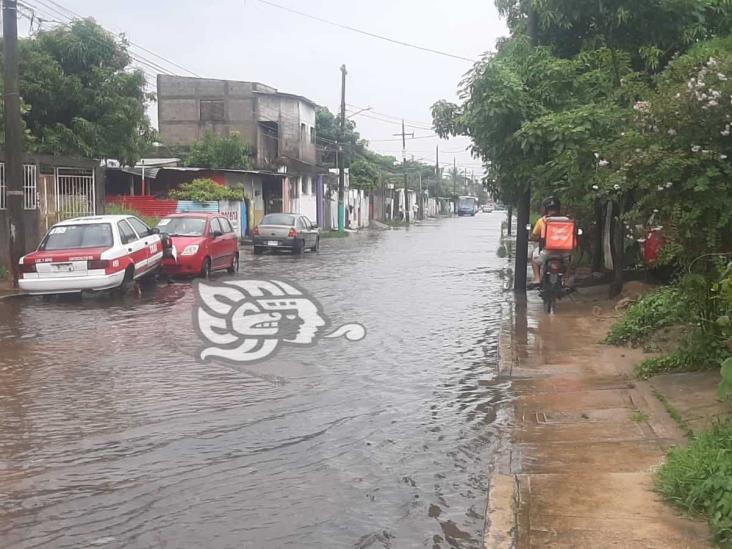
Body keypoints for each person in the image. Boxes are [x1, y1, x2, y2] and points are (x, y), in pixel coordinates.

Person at [530, 196, 562, 285]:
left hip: (547, 252)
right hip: (565, 253)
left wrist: (533, 237)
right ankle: (566, 279)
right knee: (570, 262)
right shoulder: (568, 220)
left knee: (533, 257)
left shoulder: (542, 221)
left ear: (545, 209)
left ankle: (537, 279)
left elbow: (533, 236)